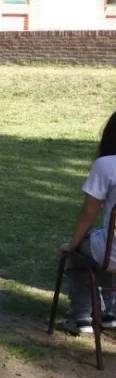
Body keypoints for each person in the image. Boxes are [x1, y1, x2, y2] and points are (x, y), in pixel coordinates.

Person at [58, 112, 116, 335]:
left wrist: (71, 244)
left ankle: (81, 316)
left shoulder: (107, 165)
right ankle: (109, 313)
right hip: (109, 244)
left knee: (83, 249)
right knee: (101, 241)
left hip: (110, 249)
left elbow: (88, 212)